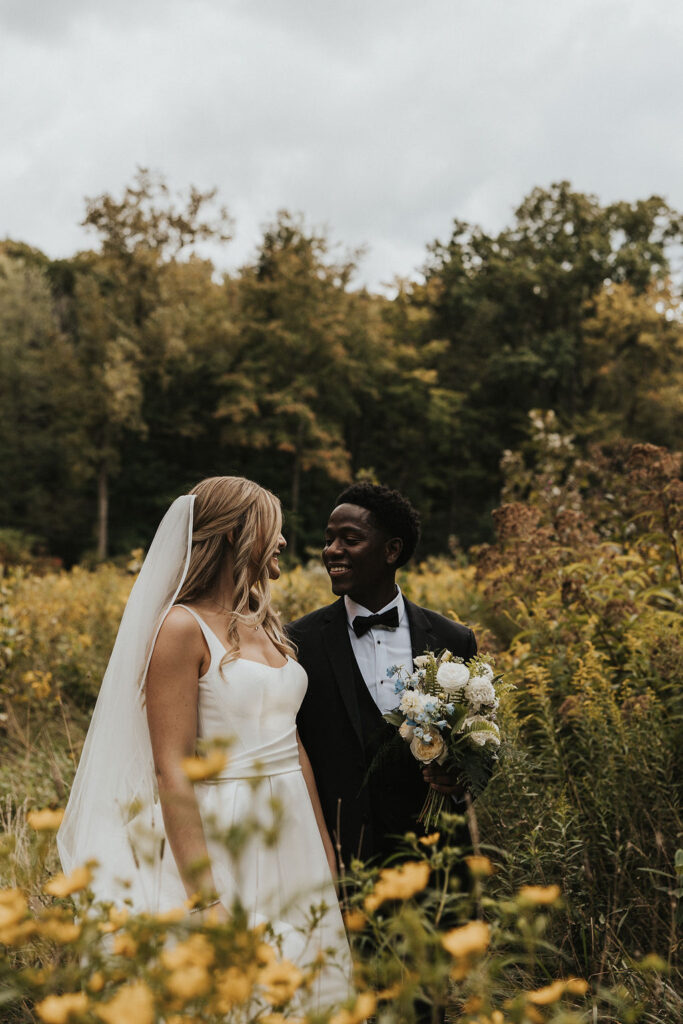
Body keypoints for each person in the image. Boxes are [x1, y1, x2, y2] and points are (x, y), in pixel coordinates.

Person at [57, 477, 351, 1008]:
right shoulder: (180, 627)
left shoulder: (265, 622)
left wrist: (326, 851)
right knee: (240, 990)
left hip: (294, 828)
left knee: (310, 983)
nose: (283, 541)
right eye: (273, 528)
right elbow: (171, 766)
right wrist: (204, 896)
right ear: (238, 534)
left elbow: (295, 746)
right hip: (227, 830)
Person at [289, 482, 479, 867]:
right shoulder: (296, 642)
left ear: (392, 550)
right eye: (329, 540)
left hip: (436, 859)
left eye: (350, 539)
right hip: (341, 856)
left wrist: (463, 781)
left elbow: (480, 742)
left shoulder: (452, 639)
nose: (332, 551)